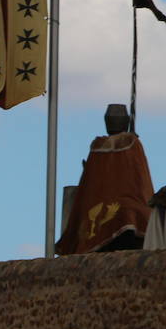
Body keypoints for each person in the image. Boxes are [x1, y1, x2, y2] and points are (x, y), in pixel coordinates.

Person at [56, 104, 154, 255]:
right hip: (127, 212)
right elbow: (141, 179)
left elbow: (88, 182)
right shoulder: (132, 143)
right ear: (126, 121)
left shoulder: (97, 145)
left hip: (97, 210)